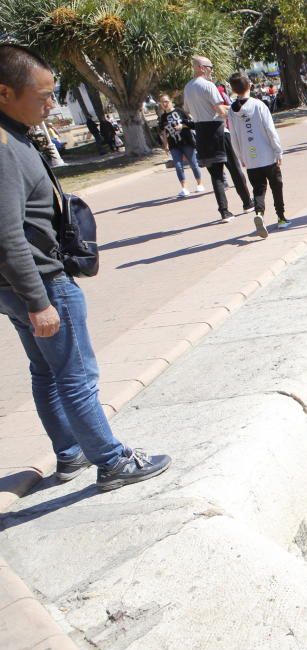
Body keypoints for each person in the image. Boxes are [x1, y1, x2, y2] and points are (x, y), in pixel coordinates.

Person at [0, 45, 171, 491]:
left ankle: (70, 453)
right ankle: (111, 461)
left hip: (23, 285)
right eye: (42, 97)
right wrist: (38, 302)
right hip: (40, 285)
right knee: (76, 375)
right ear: (4, 92)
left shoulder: (12, 134)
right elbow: (7, 235)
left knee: (46, 373)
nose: (50, 104)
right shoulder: (2, 148)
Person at [183, 56, 252, 223]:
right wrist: (236, 109)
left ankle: (224, 211)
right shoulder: (208, 86)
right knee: (234, 168)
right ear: (200, 67)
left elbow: (186, 110)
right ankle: (247, 203)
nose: (211, 70)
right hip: (217, 129)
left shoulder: (188, 87)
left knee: (216, 174)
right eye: (209, 66)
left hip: (201, 132)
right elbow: (220, 111)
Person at [227, 73, 286, 236]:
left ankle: (259, 213)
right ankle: (281, 218)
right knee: (276, 186)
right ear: (249, 85)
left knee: (258, 189)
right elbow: (270, 130)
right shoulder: (259, 105)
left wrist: (241, 157)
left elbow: (234, 136)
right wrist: (278, 150)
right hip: (267, 155)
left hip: (251, 158)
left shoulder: (232, 111)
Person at [157, 94, 204, 198]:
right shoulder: (163, 117)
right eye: (162, 102)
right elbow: (163, 132)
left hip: (186, 141)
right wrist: (165, 145)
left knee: (193, 163)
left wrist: (182, 125)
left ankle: (199, 184)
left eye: (166, 101)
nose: (164, 104)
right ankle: (184, 188)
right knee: (178, 166)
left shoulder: (179, 111)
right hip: (174, 144)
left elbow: (192, 122)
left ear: (171, 101)